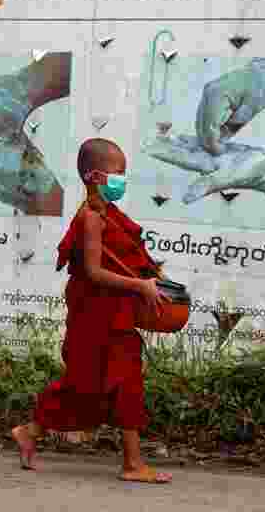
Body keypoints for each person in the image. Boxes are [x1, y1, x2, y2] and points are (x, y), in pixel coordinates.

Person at [11, 138, 172, 483]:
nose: (122, 180)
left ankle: (31, 431)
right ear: (95, 176)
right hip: (96, 315)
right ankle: (131, 464)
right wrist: (139, 286)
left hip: (113, 314)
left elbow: (125, 256)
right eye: (118, 173)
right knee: (87, 384)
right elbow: (95, 272)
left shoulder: (109, 214)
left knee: (114, 384)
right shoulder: (91, 219)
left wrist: (150, 272)